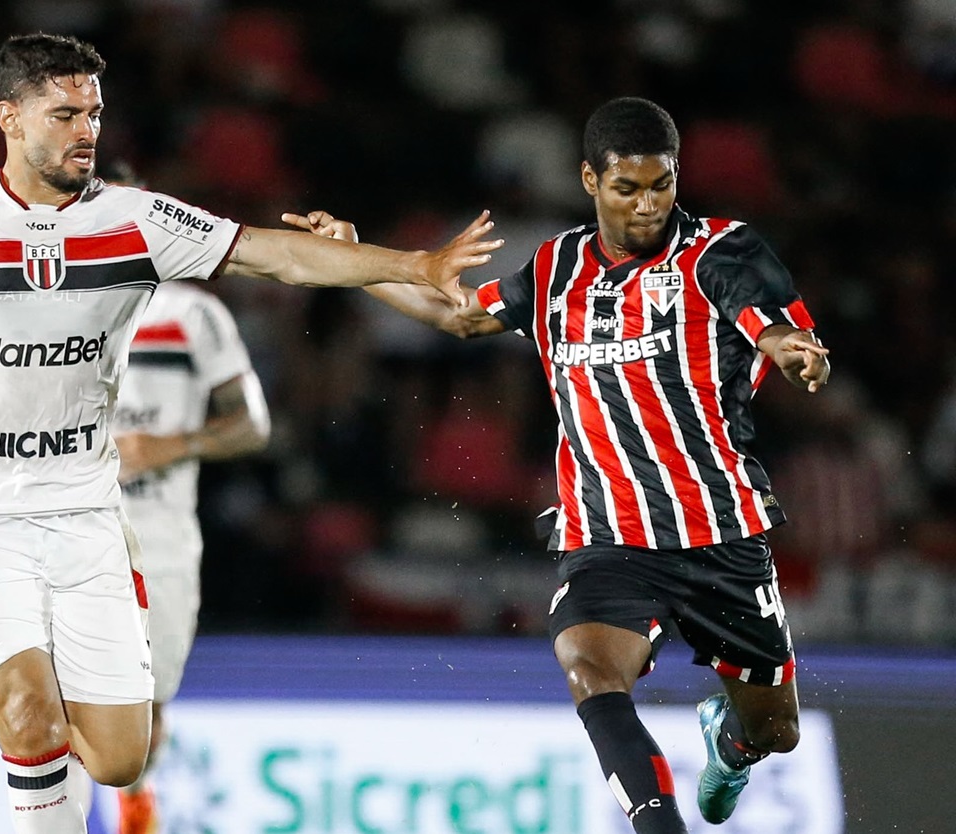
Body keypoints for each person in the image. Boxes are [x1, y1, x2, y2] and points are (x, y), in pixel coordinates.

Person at [0, 33, 501, 834]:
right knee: (27, 708)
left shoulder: (137, 223)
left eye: (94, 113)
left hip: (88, 520)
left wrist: (413, 266)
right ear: (10, 119)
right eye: (65, 114)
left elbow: (275, 257)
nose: (87, 130)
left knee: (123, 757)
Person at [287, 97, 830, 833]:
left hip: (720, 532)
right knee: (589, 668)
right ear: (588, 179)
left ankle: (728, 746)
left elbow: (772, 326)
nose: (646, 207)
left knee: (774, 732)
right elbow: (461, 315)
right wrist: (354, 261)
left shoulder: (720, 253)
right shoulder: (556, 266)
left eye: (661, 186)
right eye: (626, 189)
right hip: (607, 533)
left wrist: (793, 353)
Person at [111, 281, 270, 833]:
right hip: (68, 524)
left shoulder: (192, 313)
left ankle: (134, 803)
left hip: (159, 533)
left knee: (144, 716)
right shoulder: (51, 293)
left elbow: (253, 424)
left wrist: (165, 446)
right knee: (54, 699)